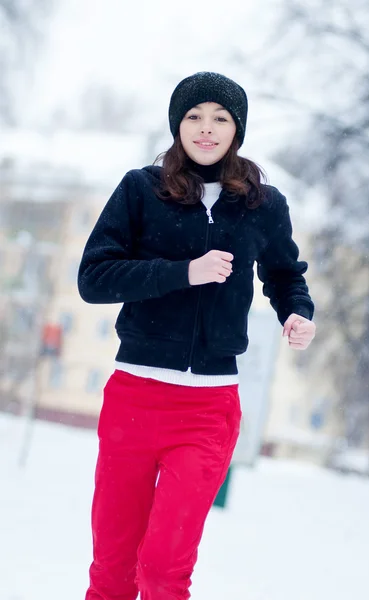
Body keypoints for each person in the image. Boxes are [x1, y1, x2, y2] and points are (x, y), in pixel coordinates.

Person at [78, 71, 316, 600]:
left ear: (237, 130)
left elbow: (284, 274)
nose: (206, 130)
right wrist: (182, 271)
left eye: (220, 119)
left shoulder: (263, 204)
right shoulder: (141, 190)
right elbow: (94, 278)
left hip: (207, 412)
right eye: (194, 117)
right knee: (113, 571)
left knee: (164, 571)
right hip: (134, 400)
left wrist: (296, 313)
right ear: (177, 124)